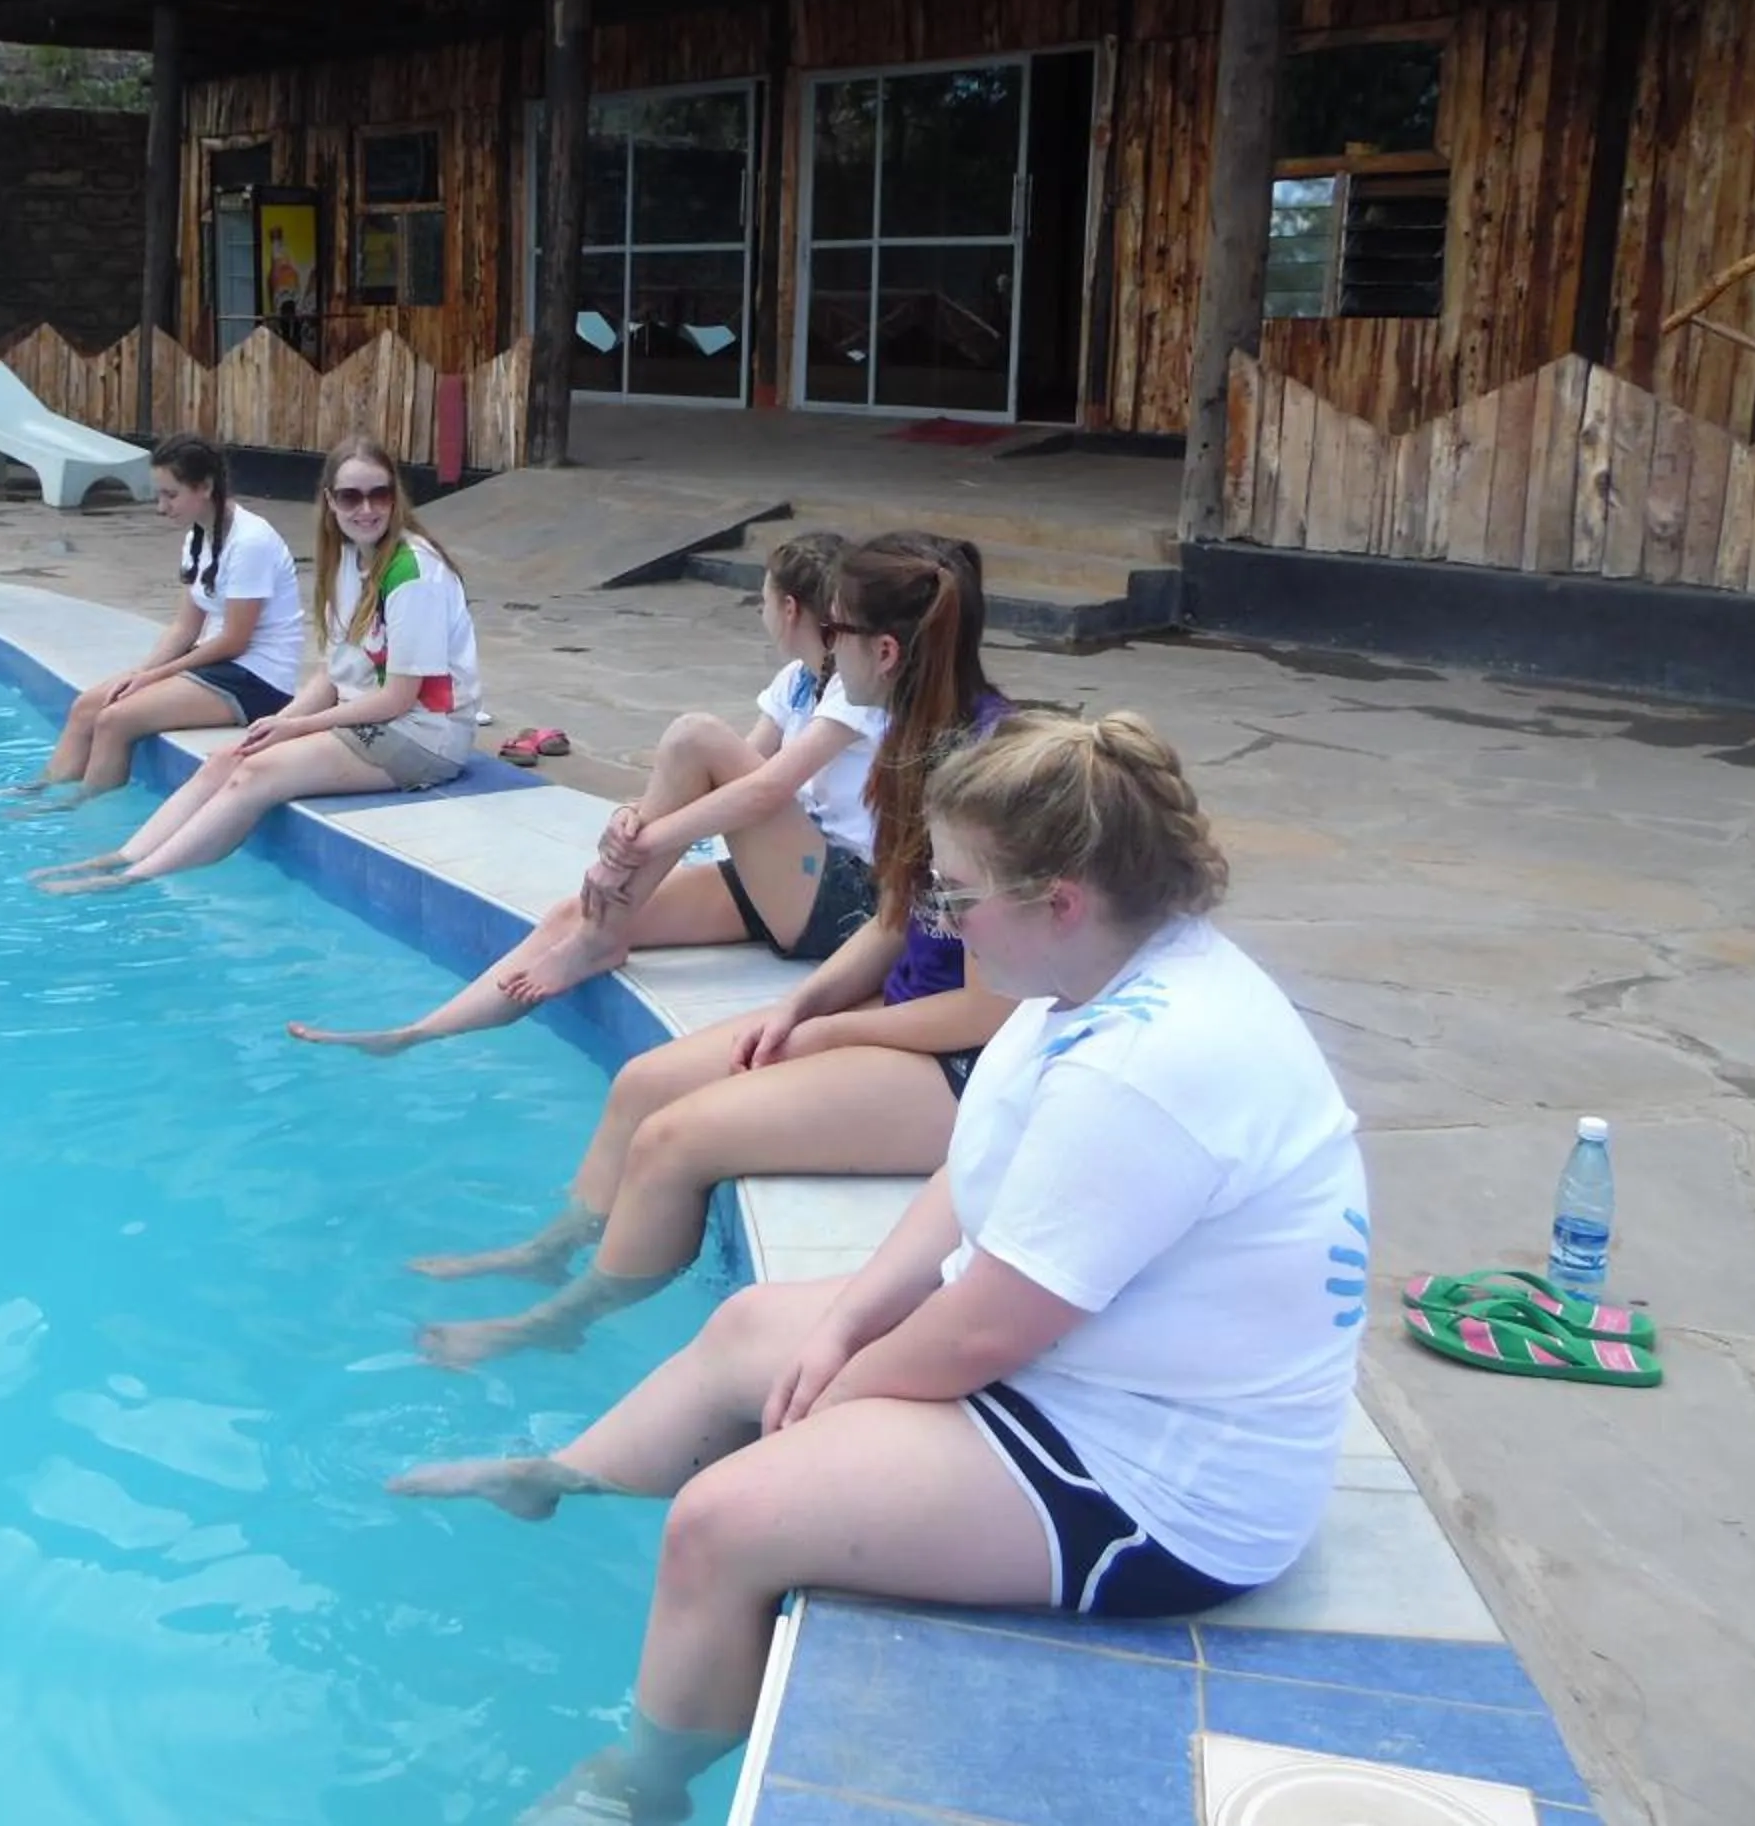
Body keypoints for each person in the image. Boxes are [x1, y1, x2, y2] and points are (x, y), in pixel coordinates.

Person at [392, 711, 1372, 1825]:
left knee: (724, 1522)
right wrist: (850, 1318)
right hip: (1094, 1372)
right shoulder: (1091, 977)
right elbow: (976, 1169)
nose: (940, 927)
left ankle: (639, 1788)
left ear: (1061, 900)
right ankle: (561, 1476)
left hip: (1159, 1484)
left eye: (957, 899)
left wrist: (834, 1404)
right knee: (756, 1326)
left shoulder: (1145, 1070)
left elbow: (983, 1338)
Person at [409, 534, 1017, 1364]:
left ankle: (560, 1325)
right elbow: (891, 921)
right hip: (908, 1014)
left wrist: (833, 1032)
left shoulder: (985, 778)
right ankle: (550, 1252)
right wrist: (802, 1004)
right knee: (642, 1086)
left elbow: (992, 1008)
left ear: (882, 650)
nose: (824, 653)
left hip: (976, 1068)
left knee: (677, 1142)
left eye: (833, 633)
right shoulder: (912, 743)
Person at [288, 529, 892, 1056]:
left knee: (693, 735)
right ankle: (422, 1033)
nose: (758, 610)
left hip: (838, 897)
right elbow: (742, 769)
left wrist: (646, 841)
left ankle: (601, 941)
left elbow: (763, 790)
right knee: (569, 914)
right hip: (782, 881)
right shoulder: (795, 681)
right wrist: (635, 815)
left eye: (761, 598)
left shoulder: (853, 691)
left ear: (787, 609)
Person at [33, 437, 480, 893]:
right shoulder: (350, 559)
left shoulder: (413, 572)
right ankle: (123, 856)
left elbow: (398, 697)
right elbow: (332, 672)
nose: (366, 509)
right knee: (227, 759)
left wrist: (299, 728)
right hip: (379, 721)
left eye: (379, 494)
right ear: (329, 501)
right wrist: (280, 721)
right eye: (350, 496)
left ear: (396, 496)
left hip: (423, 736)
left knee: (255, 774)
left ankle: (132, 880)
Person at [0, 433, 306, 805]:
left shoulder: (250, 541)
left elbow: (235, 640)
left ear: (205, 487)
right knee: (87, 708)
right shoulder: (198, 536)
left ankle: (79, 813)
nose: (161, 507)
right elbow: (185, 627)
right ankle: (40, 792)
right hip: (226, 667)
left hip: (258, 681)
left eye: (170, 495)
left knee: (116, 721)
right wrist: (138, 674)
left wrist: (155, 677)